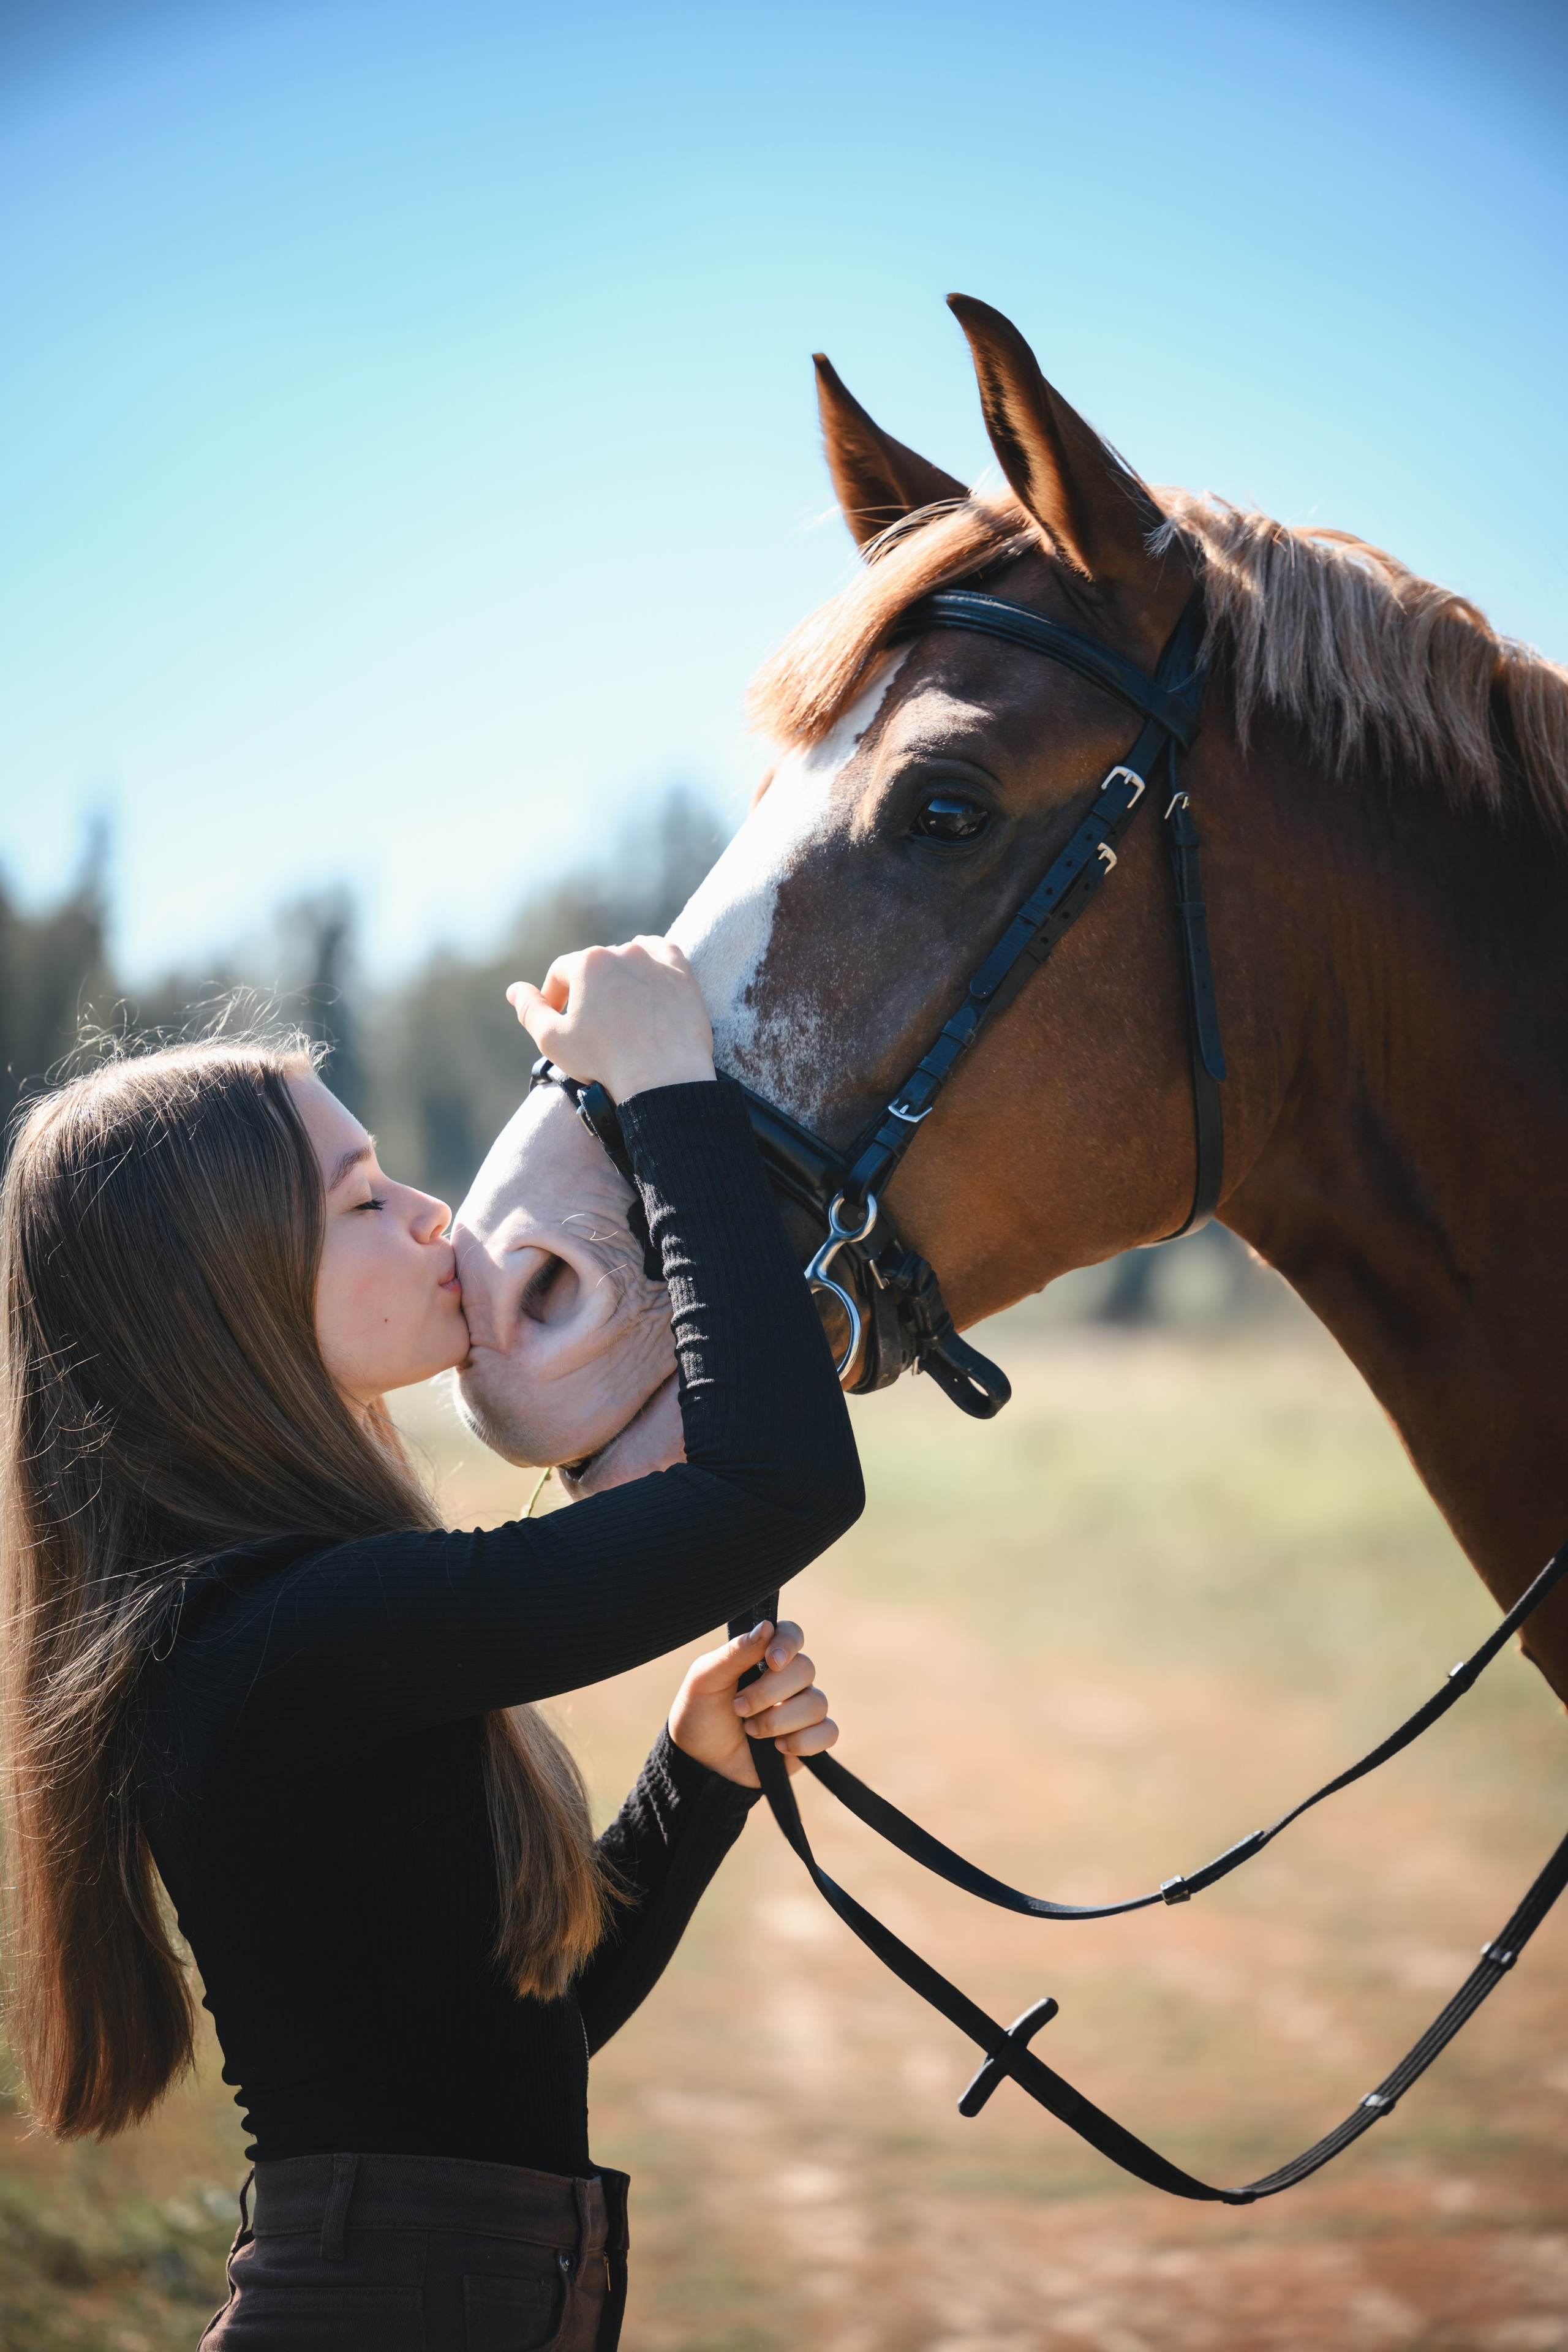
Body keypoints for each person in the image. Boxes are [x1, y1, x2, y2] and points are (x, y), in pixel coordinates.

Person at [0, 939, 864, 2351]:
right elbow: (778, 1483)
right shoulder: (290, 1633)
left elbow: (522, 2030)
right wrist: (663, 1092)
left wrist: (691, 1777)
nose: (429, 1218)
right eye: (359, 1199)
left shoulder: (289, 1614)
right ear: (223, 1292)